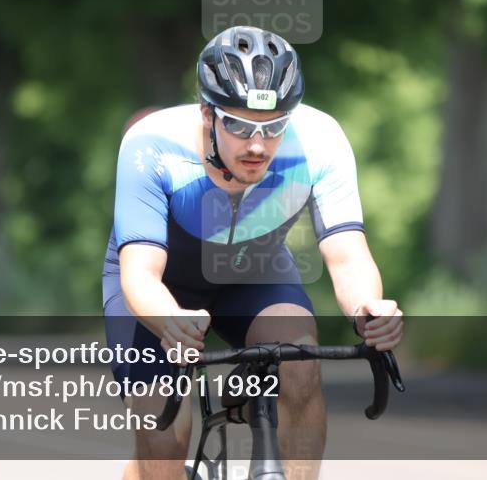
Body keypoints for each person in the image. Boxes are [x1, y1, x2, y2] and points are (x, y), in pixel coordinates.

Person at [103, 26, 404, 480]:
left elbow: (348, 256)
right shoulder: (152, 145)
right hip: (160, 288)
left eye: (274, 126)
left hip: (253, 272)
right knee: (163, 438)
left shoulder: (320, 141)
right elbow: (141, 276)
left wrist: (369, 308)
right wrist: (171, 322)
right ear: (208, 114)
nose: (258, 144)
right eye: (240, 125)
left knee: (300, 366)